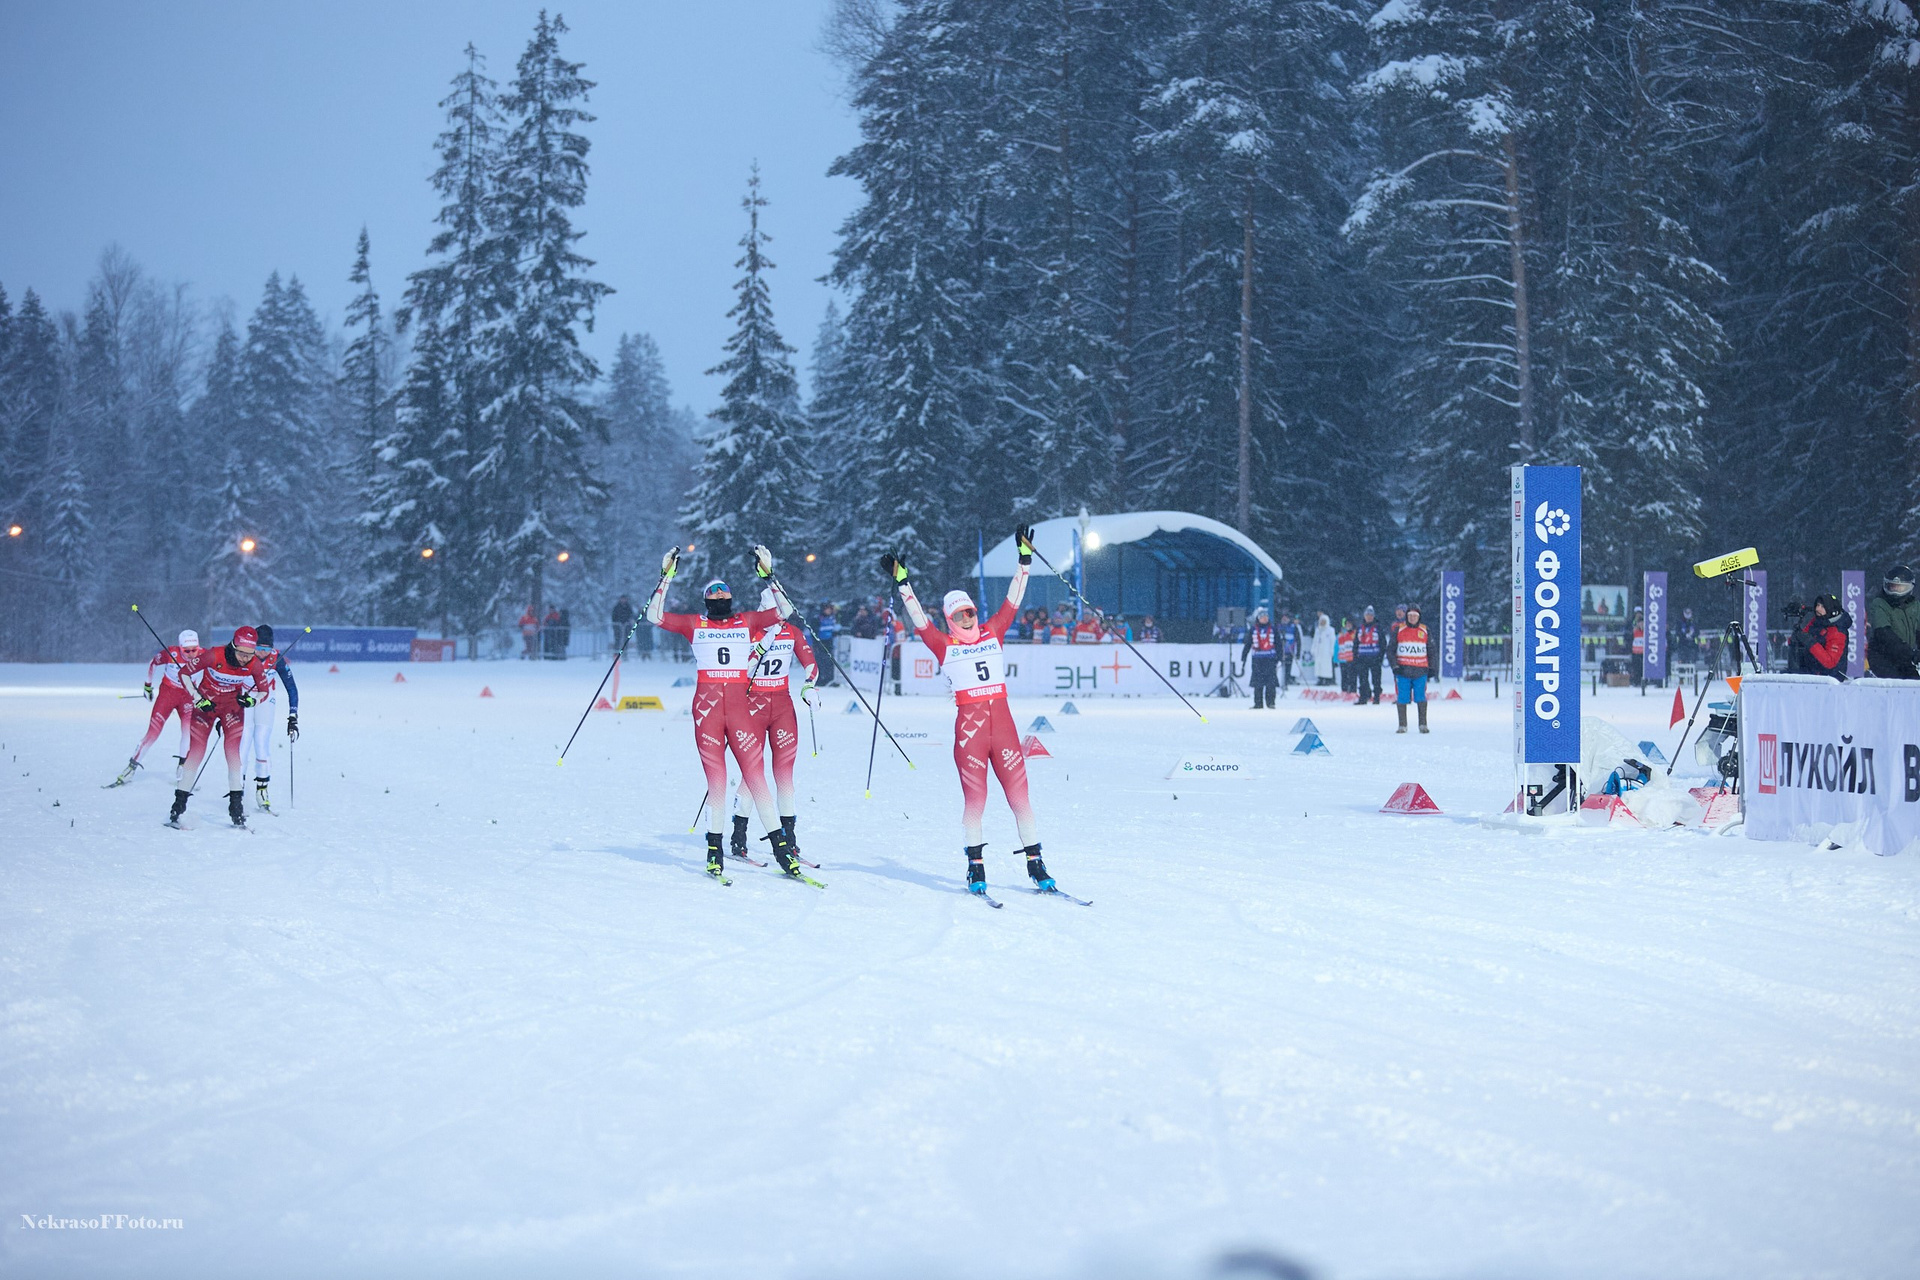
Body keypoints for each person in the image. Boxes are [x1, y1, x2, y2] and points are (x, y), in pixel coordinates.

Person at [883, 528, 1058, 897]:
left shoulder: (993, 632)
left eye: (970, 612)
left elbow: (1012, 602)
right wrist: (903, 584)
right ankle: (975, 866)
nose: (967, 618)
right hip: (970, 736)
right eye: (960, 614)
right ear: (950, 618)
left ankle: (1036, 862)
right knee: (975, 802)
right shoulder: (943, 644)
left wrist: (1024, 561)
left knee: (1021, 798)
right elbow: (920, 621)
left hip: (1005, 731)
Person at [646, 545, 809, 881]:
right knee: (716, 781)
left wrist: (769, 576)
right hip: (706, 713)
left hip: (738, 712)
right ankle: (714, 851)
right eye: (714, 591)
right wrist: (666, 577)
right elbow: (654, 617)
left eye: (725, 590)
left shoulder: (746, 621)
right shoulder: (694, 623)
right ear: (706, 599)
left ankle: (782, 850)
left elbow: (786, 610)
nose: (720, 594)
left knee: (756, 777)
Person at [731, 588, 820, 865]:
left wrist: (809, 687)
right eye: (772, 612)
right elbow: (741, 670)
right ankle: (738, 836)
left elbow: (811, 664)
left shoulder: (792, 632)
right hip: (753, 707)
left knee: (784, 774)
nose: (778, 618)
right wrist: (761, 645)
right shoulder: (750, 631)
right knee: (752, 773)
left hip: (782, 706)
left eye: (781, 612)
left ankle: (789, 839)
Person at [167, 626, 274, 829]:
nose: (245, 659)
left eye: (250, 654)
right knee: (196, 753)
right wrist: (197, 699)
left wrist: (252, 701)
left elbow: (264, 691)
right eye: (241, 653)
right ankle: (178, 807)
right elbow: (184, 673)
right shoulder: (214, 655)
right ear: (233, 646)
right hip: (206, 706)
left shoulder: (254, 664)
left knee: (233, 756)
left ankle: (236, 809)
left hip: (232, 709)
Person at [112, 628, 203, 787]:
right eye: (186, 650)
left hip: (188, 696)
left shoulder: (204, 655)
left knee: (188, 733)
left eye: (193, 650)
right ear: (180, 647)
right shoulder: (171, 653)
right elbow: (153, 663)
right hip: (168, 694)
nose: (190, 654)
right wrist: (147, 686)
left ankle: (183, 772)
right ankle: (131, 768)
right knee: (153, 732)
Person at [242, 623, 301, 812]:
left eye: (266, 649)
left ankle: (262, 791)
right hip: (244, 699)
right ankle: (237, 792)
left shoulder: (276, 658)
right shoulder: (244, 654)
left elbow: (292, 688)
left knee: (261, 742)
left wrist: (293, 716)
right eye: (259, 648)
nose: (262, 653)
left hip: (266, 701)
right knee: (243, 743)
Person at [1867, 564, 1918, 678]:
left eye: (1900, 588)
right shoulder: (1880, 604)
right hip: (1882, 656)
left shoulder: (1915, 607)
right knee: (1895, 683)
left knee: (1914, 683)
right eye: (1892, 587)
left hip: (1904, 658)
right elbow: (1883, 633)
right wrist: (1909, 653)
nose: (1895, 592)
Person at [1786, 594, 1849, 680]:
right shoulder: (1817, 621)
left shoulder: (1837, 632)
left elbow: (1830, 662)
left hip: (1829, 679)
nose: (1817, 609)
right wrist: (1795, 638)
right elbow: (1803, 638)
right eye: (1817, 605)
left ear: (1831, 610)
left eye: (1822, 607)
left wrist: (1810, 642)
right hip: (1811, 673)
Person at [1391, 603, 1432, 734]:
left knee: (1421, 697)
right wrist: (1394, 665)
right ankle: (1402, 725)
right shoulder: (1399, 629)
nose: (1412, 618)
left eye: (1415, 615)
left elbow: (1432, 650)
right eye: (1410, 615)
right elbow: (1390, 649)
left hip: (1420, 670)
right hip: (1403, 671)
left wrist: (1433, 668)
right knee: (1402, 698)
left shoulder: (1425, 630)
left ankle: (1423, 724)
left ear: (1419, 617)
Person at [1242, 607, 1280, 708]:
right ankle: (1258, 703)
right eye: (1262, 617)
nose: (1265, 619)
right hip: (1257, 660)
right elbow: (1248, 643)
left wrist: (1279, 657)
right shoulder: (1253, 630)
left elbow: (1278, 644)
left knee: (1270, 682)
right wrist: (1244, 656)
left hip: (1270, 659)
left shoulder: (1273, 629)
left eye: (1266, 617)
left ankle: (1271, 703)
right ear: (1258, 618)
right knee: (1258, 682)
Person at [1353, 606, 1385, 705]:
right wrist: (1355, 656)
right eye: (1367, 615)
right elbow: (1356, 643)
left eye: (1371, 615)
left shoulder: (1378, 628)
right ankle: (1363, 697)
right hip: (1362, 657)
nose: (1369, 617)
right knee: (1362, 678)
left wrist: (1380, 657)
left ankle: (1376, 697)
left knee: (1376, 678)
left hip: (1375, 657)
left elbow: (1383, 643)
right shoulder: (1360, 628)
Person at [814, 602, 841, 684]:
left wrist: (835, 633)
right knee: (820, 661)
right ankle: (820, 678)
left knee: (829, 661)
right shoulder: (818, 618)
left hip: (829, 642)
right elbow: (814, 630)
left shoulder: (832, 618)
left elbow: (834, 629)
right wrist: (816, 642)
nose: (829, 611)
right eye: (827, 609)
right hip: (820, 642)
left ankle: (829, 678)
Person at [1312, 611, 1336, 686]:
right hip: (1319, 651)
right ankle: (1320, 679)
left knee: (1326, 666)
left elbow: (1333, 641)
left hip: (1327, 651)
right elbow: (1315, 640)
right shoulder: (1318, 630)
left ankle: (1327, 680)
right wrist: (1313, 649)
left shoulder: (1331, 630)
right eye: (1321, 621)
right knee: (1319, 665)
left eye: (1324, 621)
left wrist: (1332, 650)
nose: (1322, 622)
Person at [1338, 620, 1356, 693]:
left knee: (1352, 675)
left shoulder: (1354, 633)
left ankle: (1352, 690)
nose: (1348, 625)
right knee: (1345, 675)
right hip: (1345, 658)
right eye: (1346, 624)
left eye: (1349, 624)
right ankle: (1345, 690)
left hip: (1353, 658)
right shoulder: (1343, 634)